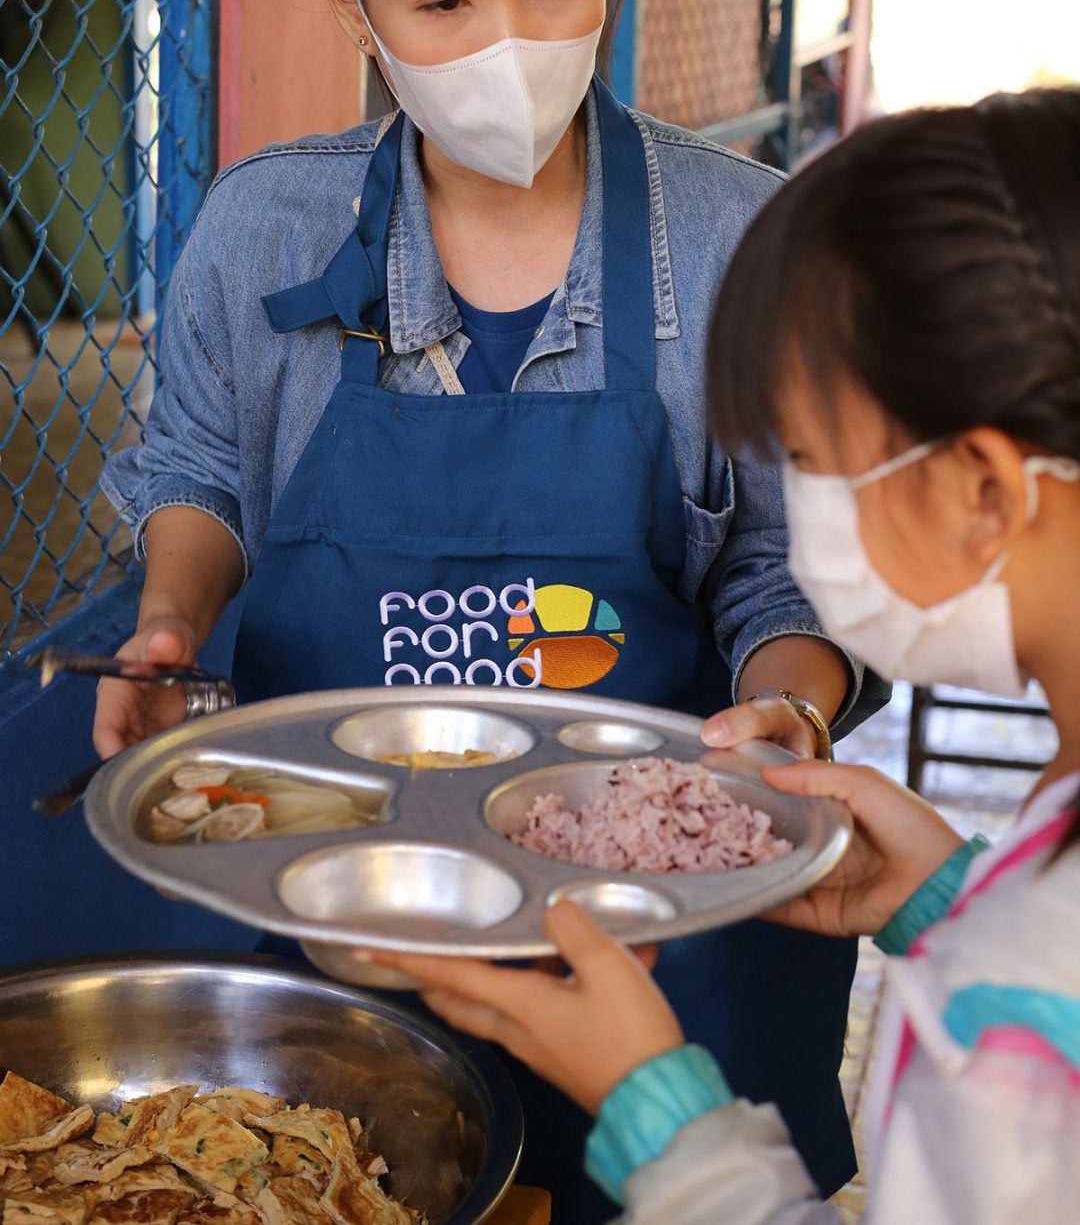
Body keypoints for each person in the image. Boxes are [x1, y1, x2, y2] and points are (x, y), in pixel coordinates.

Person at [96, 0, 887, 1216]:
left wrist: (790, 709)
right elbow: (197, 469)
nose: (510, 45)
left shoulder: (741, 244)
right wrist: (172, 623)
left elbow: (794, 563)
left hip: (664, 931)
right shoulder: (267, 229)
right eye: (442, 0)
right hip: (343, 911)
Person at [368, 88, 1080, 1222]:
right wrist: (952, 904)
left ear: (987, 490)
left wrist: (662, 1118)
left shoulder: (1021, 1006)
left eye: (813, 460)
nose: (802, 523)